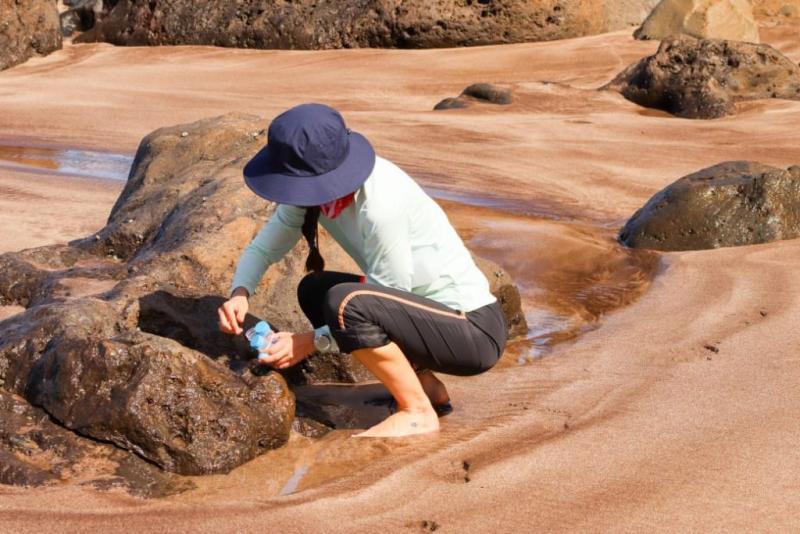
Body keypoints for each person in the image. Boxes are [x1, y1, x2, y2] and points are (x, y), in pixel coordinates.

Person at [217, 103, 507, 438]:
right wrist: (240, 293)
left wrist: (309, 341)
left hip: (471, 331)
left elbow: (391, 291)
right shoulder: (316, 197)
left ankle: (416, 412)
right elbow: (264, 247)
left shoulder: (381, 204)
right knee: (316, 290)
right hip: (428, 317)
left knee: (345, 304)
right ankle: (426, 388)